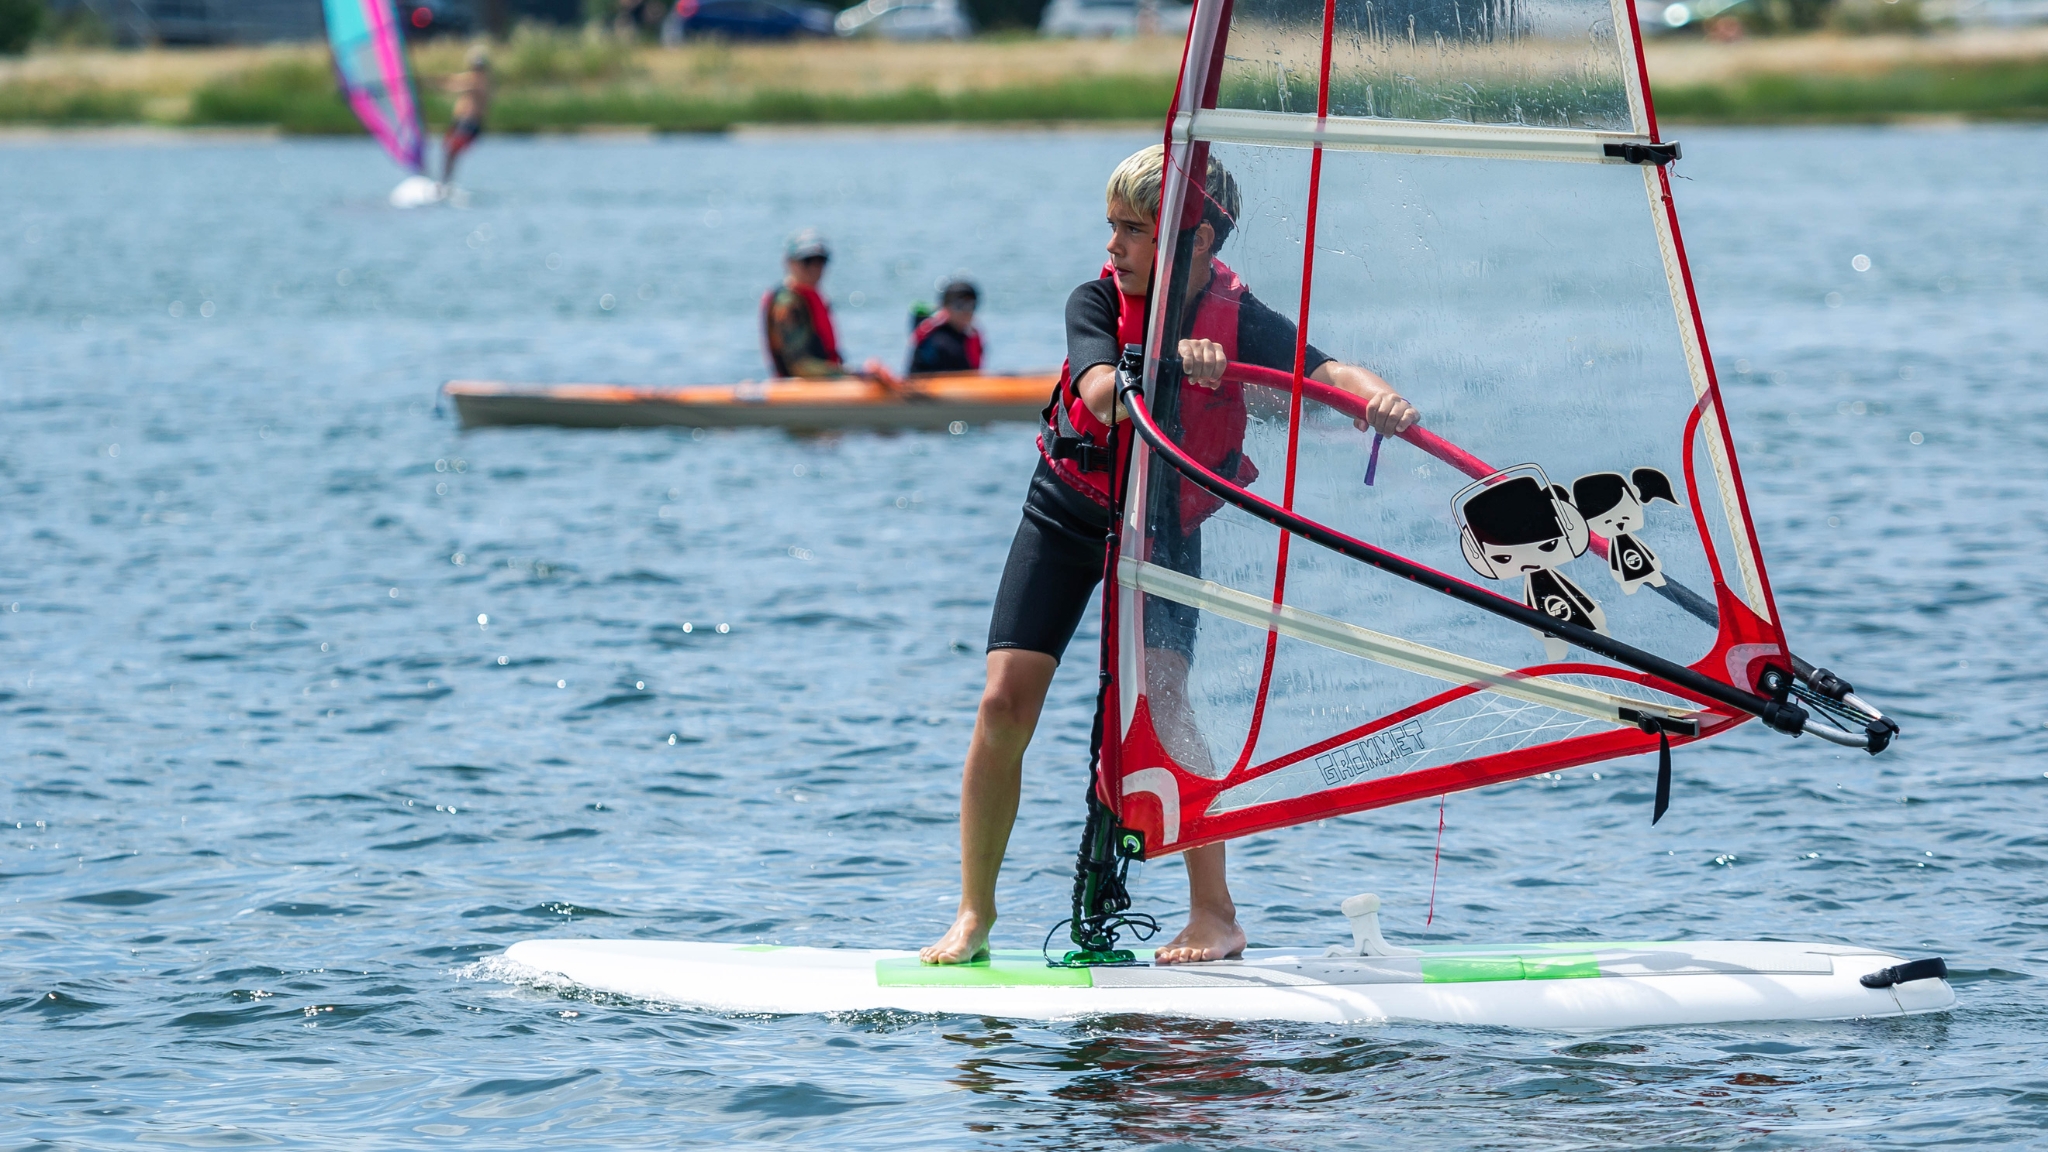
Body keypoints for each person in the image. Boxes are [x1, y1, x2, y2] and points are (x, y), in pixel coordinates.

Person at [919, 145, 1420, 967]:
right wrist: (1155, 373)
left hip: (1161, 529)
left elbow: (1325, 368)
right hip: (1070, 511)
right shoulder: (1094, 300)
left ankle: (1214, 916)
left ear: (1194, 242)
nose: (1112, 246)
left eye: (1133, 230)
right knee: (1004, 703)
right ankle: (975, 914)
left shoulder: (1237, 316)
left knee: (1170, 702)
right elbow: (1097, 395)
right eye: (1111, 226)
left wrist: (1377, 400)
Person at [762, 230, 847, 379]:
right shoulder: (787, 305)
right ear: (790, 262)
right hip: (801, 389)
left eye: (820, 261)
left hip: (824, 385)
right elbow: (799, 365)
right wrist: (848, 375)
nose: (815, 268)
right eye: (807, 261)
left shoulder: (809, 299)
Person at [907, 280, 984, 376]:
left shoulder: (968, 336)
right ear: (945, 307)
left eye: (971, 305)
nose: (966, 311)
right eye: (959, 306)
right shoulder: (938, 341)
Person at [440, 48, 490, 186]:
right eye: (475, 66)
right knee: (448, 150)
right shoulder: (470, 78)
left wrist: (446, 84)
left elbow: (462, 86)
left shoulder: (481, 81)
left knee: (452, 151)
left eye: (479, 67)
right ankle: (445, 181)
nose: (477, 69)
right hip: (460, 122)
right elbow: (454, 81)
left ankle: (446, 183)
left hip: (470, 124)